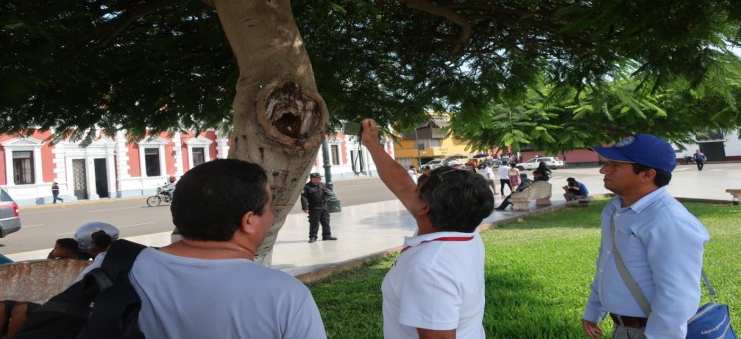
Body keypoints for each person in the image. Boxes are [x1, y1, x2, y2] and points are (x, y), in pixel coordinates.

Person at [76, 159, 327, 338]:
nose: (271, 217)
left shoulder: (111, 267)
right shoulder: (285, 295)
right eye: (270, 208)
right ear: (249, 221)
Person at [360, 119, 495, 339]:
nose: (411, 189)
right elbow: (403, 184)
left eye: (419, 187)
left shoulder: (429, 268)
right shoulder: (465, 231)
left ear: (425, 206)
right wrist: (373, 145)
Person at [581, 134, 710, 339]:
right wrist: (593, 310)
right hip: (623, 329)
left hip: (652, 331)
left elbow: (677, 295)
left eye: (615, 165)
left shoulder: (668, 220)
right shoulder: (615, 208)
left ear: (647, 175)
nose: (603, 169)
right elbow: (606, 262)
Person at [300, 173, 338, 243]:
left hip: (324, 206)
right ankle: (313, 237)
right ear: (312, 179)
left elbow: (325, 192)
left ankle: (326, 235)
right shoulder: (307, 187)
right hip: (314, 207)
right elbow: (304, 197)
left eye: (319, 178)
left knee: (326, 222)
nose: (318, 180)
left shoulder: (321, 185)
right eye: (316, 178)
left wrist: (328, 192)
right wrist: (305, 207)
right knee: (314, 223)